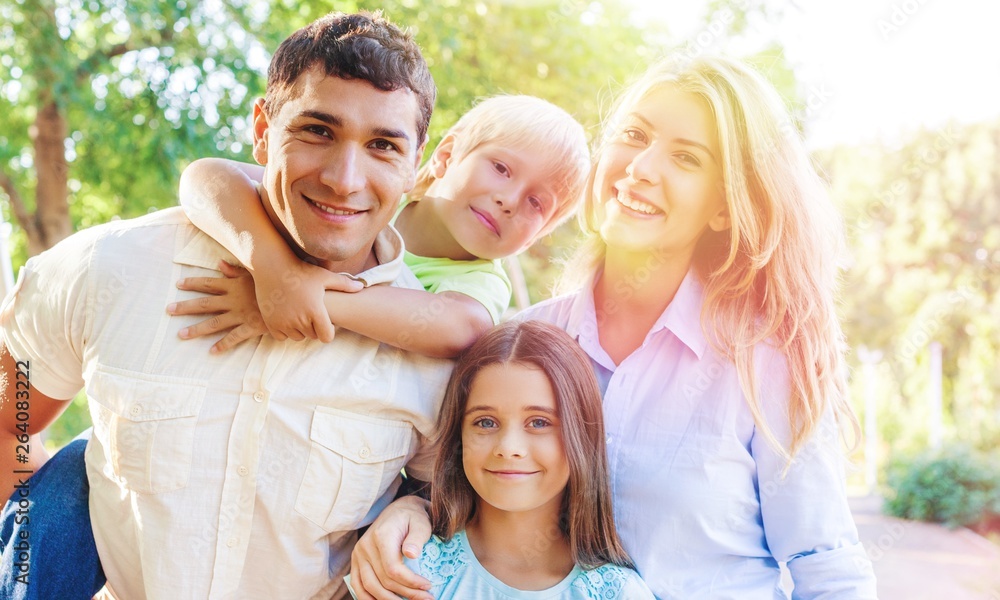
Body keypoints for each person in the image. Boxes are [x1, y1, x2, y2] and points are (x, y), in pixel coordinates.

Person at [348, 54, 879, 599]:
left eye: (686, 158)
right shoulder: (519, 344)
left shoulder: (763, 362)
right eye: (634, 134)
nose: (642, 167)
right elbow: (460, 485)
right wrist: (409, 509)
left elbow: (827, 567)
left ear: (723, 207)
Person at [0, 11, 453, 600]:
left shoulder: (432, 360)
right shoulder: (108, 268)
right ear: (263, 129)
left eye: (383, 145)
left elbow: (452, 512)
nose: (345, 179)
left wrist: (415, 511)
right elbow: (11, 424)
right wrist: (32, 556)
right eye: (317, 130)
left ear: (416, 161)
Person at [168, 94, 589, 358]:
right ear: (445, 157)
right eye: (500, 168)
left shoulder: (480, 281)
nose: (509, 200)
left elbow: (459, 327)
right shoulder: (370, 194)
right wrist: (275, 269)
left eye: (537, 203)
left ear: (542, 233)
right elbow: (207, 177)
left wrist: (301, 298)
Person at [346, 320, 654, 599]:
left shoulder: (618, 593)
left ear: (581, 438)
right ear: (459, 437)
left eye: (539, 422)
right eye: (486, 422)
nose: (509, 447)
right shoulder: (405, 570)